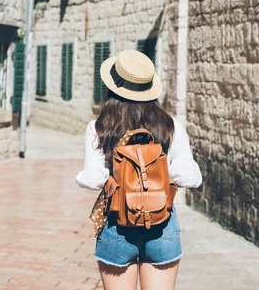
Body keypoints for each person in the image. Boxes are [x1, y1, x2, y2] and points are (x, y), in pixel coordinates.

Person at [76, 49, 203, 290]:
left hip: (116, 226)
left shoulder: (99, 128)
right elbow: (190, 175)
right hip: (161, 225)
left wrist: (86, 178)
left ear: (112, 88)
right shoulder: (170, 125)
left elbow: (93, 179)